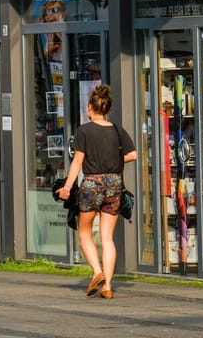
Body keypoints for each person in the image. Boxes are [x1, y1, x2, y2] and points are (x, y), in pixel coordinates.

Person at [58, 85, 136, 300]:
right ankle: (108, 286)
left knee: (84, 232)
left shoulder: (83, 131)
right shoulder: (117, 130)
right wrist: (113, 161)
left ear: (90, 107)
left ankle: (97, 271)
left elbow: (78, 161)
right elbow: (133, 154)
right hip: (114, 184)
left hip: (91, 184)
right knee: (107, 237)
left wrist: (67, 187)